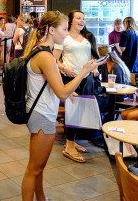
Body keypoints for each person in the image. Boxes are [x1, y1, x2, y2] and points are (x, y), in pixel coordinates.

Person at [21, 11, 103, 201]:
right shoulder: (45, 56)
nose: (67, 33)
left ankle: (40, 198)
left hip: (42, 113)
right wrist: (85, 70)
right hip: (42, 115)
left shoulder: (44, 52)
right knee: (34, 168)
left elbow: (55, 85)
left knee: (38, 167)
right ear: (51, 30)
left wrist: (68, 87)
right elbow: (62, 92)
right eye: (64, 29)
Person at [53, 10, 100, 163]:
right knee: (72, 111)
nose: (82, 21)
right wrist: (64, 68)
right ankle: (69, 146)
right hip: (70, 79)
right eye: (78, 18)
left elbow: (93, 56)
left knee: (81, 111)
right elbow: (54, 60)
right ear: (71, 20)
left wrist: (95, 68)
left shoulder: (88, 37)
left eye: (84, 18)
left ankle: (72, 141)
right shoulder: (64, 37)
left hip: (86, 79)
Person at [97, 45, 131, 122]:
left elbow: (118, 85)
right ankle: (103, 119)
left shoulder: (116, 67)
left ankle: (106, 120)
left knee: (102, 99)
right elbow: (104, 81)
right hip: (110, 91)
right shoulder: (104, 65)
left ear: (106, 56)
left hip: (119, 94)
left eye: (100, 56)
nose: (99, 59)